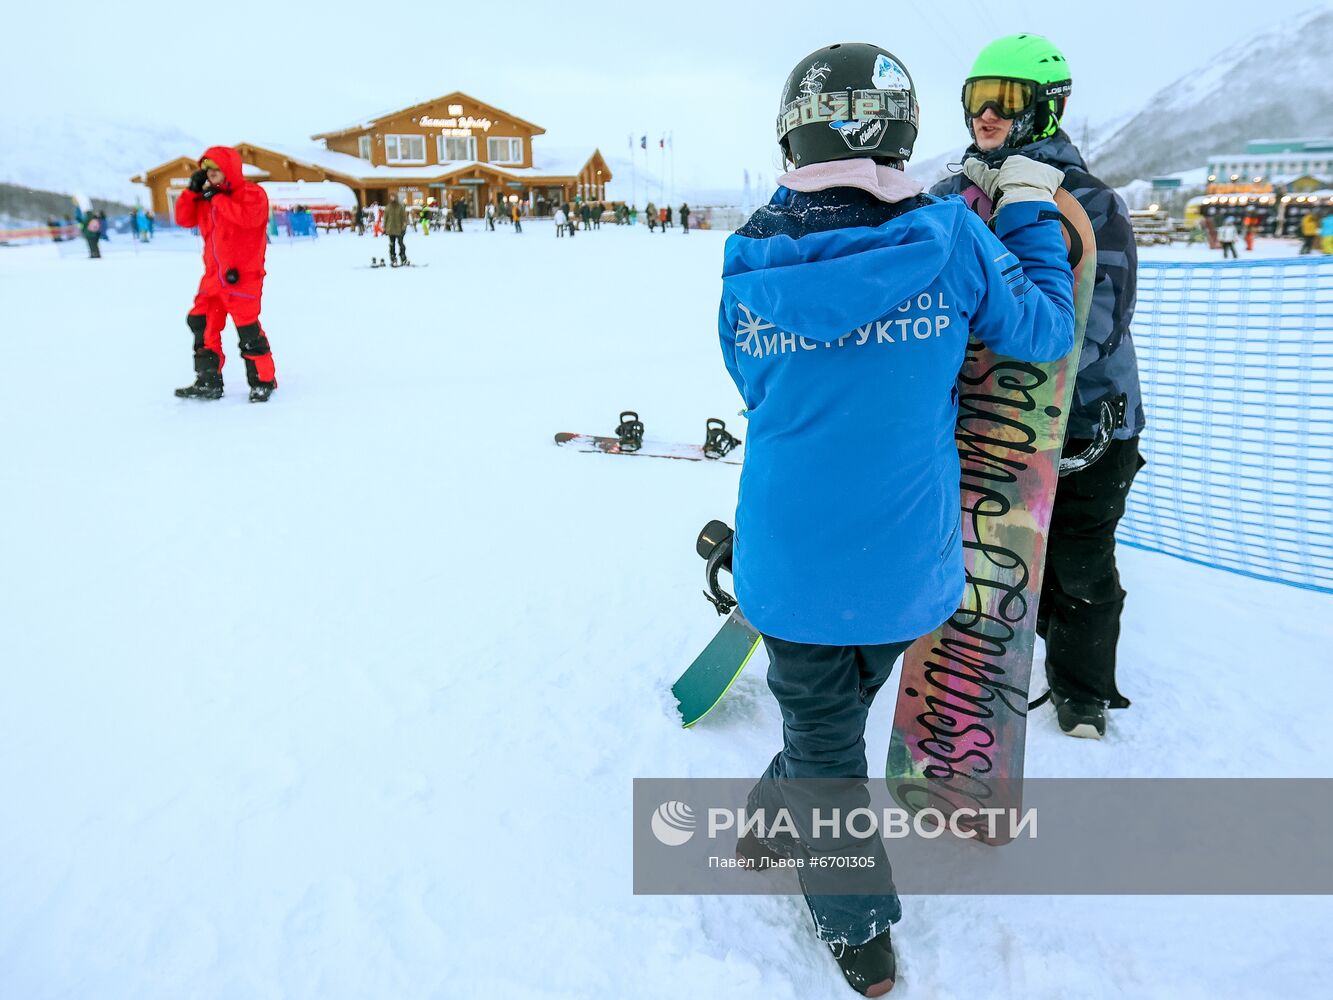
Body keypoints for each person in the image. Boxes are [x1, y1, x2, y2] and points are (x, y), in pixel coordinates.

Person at [719, 43, 1074, 995]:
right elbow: (1043, 328)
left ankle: (798, 863)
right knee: (831, 723)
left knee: (821, 726)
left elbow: (750, 378)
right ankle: (857, 929)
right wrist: (1032, 209)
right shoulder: (948, 240)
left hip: (786, 556)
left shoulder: (747, 249)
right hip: (906, 562)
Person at [931, 33, 1146, 739]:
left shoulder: (1090, 203)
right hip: (984, 420)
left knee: (1077, 566)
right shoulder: (948, 196)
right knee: (989, 554)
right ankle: (968, 676)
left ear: (1046, 109)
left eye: (1008, 100)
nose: (985, 116)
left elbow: (1098, 327)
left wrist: (983, 356)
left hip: (1086, 423)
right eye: (975, 99)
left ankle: (1081, 693)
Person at [173, 146, 277, 403]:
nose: (211, 173)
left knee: (248, 332)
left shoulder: (252, 194)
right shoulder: (205, 199)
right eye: (207, 169)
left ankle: (263, 381)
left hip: (242, 276)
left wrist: (216, 199)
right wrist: (191, 192)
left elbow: (249, 219)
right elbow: (184, 219)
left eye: (216, 168)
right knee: (201, 323)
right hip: (212, 279)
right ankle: (208, 381)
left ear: (229, 169)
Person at [384, 195, 408, 266]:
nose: (392, 199)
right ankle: (393, 258)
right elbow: (385, 218)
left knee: (401, 244)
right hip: (390, 229)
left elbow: (404, 218)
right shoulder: (388, 207)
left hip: (399, 229)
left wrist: (404, 227)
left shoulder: (400, 207)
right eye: (391, 197)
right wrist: (385, 228)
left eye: (393, 197)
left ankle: (403, 258)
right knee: (392, 245)